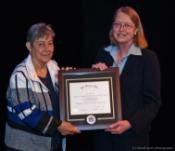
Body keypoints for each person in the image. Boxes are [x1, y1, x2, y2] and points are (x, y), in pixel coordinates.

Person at [92, 6, 161, 151]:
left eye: (127, 25)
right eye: (117, 24)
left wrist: (130, 123)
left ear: (136, 30)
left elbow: (152, 103)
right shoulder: (103, 53)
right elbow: (94, 95)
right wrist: (95, 77)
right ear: (112, 28)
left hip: (132, 137)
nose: (121, 29)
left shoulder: (148, 58)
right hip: (103, 136)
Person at [4, 22, 80, 151]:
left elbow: (58, 101)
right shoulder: (20, 76)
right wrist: (58, 126)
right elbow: (28, 113)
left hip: (52, 143)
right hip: (25, 146)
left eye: (50, 43)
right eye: (41, 44)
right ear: (29, 46)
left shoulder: (53, 66)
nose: (47, 49)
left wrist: (67, 82)